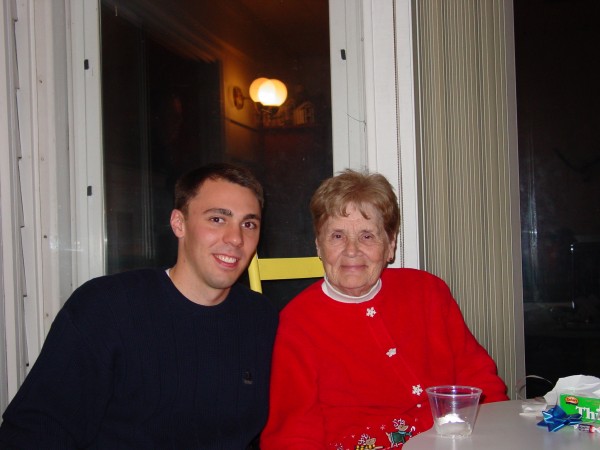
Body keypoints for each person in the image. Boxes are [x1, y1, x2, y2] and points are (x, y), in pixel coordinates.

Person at [0, 163, 279, 449]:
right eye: (218, 219)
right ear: (179, 223)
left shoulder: (261, 319)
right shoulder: (107, 308)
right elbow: (35, 431)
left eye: (249, 224)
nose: (236, 238)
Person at [260, 169, 508, 450]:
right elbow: (292, 433)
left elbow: (480, 382)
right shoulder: (297, 324)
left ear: (390, 245)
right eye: (337, 236)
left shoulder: (428, 292)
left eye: (367, 236)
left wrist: (498, 435)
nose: (352, 250)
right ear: (319, 246)